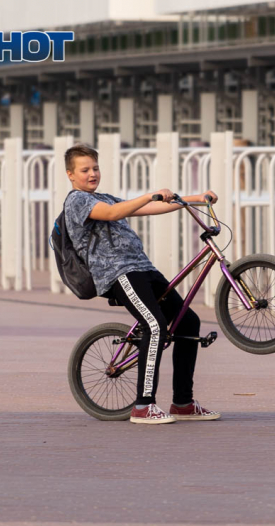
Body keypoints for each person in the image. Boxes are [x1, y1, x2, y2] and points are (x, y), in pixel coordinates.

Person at [63, 143, 220, 425]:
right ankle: (143, 405)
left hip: (143, 268)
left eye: (95, 168)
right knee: (155, 325)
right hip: (117, 273)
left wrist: (197, 199)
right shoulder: (77, 201)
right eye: (84, 170)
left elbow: (149, 207)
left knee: (188, 323)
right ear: (71, 175)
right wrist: (149, 194)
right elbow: (113, 214)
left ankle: (183, 402)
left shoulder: (107, 197)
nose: (92, 174)